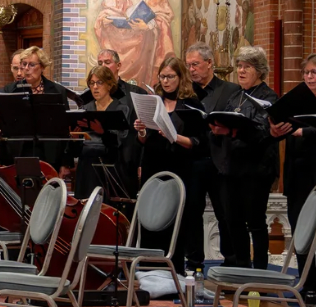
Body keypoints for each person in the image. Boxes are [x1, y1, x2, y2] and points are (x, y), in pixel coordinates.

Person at [268, 54, 316, 306]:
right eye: (306, 73)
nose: (309, 77)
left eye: (315, 72)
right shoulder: (296, 98)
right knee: (301, 228)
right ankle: (306, 282)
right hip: (299, 170)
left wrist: (308, 131)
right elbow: (279, 127)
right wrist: (274, 130)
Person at [206, 46, 279, 269]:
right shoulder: (236, 95)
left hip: (256, 169)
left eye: (247, 67)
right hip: (231, 168)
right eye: (239, 66)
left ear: (259, 70)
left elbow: (264, 133)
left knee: (256, 223)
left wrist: (232, 131)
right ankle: (240, 267)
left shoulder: (269, 97)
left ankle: (259, 271)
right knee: (232, 221)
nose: (241, 71)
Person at [133, 56, 207, 273]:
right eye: (162, 76)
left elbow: (199, 142)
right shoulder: (153, 101)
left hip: (179, 166)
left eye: (170, 77)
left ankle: (173, 269)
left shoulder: (192, 105)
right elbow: (143, 141)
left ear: (180, 77)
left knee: (175, 218)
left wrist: (173, 136)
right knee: (151, 213)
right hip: (153, 165)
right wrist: (142, 131)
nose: (165, 81)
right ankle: (147, 267)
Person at [182, 42, 227, 274]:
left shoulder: (228, 90)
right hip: (194, 160)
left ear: (209, 63)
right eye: (188, 65)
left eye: (195, 64)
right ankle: (194, 262)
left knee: (224, 212)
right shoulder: (186, 93)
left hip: (220, 161)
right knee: (192, 212)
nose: (191, 70)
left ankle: (230, 261)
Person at [0, 46, 72, 172]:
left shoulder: (57, 91)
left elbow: (65, 129)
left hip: (49, 153)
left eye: (31, 65)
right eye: (24, 64)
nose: (26, 69)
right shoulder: (10, 90)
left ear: (42, 67)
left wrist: (65, 162)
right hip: (18, 152)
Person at [71, 65, 139, 204]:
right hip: (87, 168)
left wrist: (102, 131)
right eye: (92, 83)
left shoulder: (120, 109)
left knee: (107, 211)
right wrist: (74, 138)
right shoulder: (85, 109)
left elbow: (121, 141)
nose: (95, 87)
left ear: (109, 85)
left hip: (110, 167)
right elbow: (76, 150)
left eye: (99, 82)